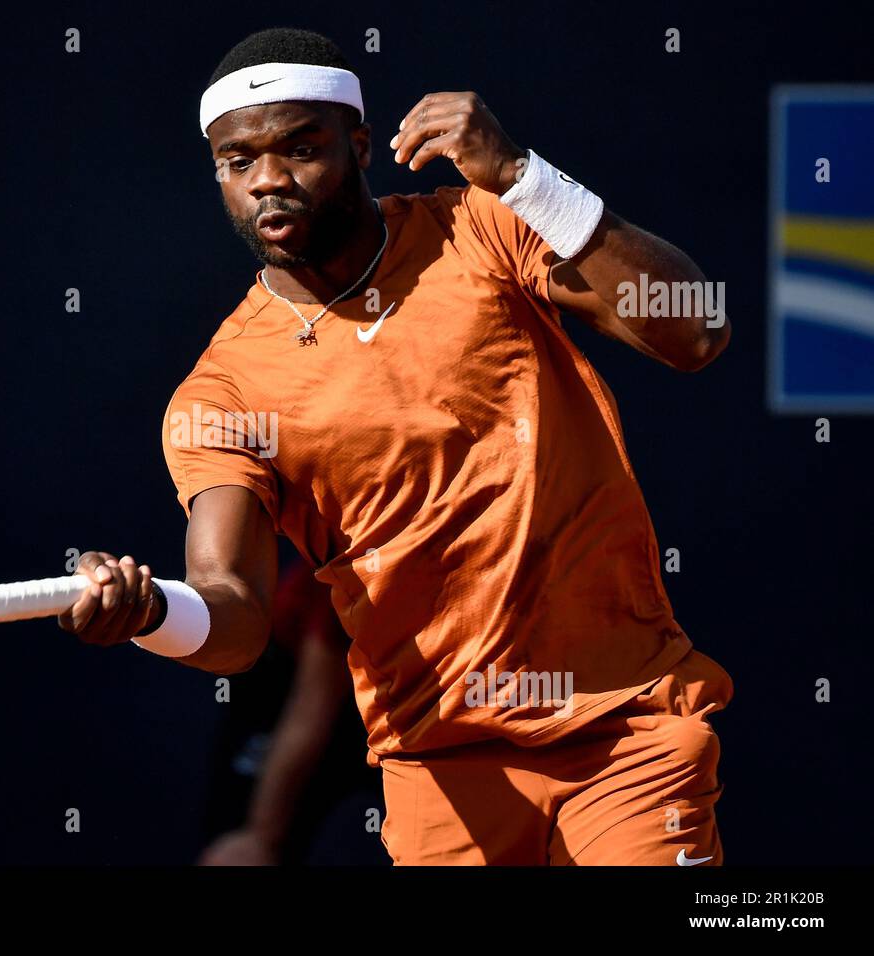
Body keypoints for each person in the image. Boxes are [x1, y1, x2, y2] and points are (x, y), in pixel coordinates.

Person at [58, 27, 734, 865]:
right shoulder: (220, 394)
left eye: (300, 148)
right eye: (238, 162)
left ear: (361, 145)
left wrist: (527, 180)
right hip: (437, 771)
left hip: (625, 731)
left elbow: (698, 328)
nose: (268, 179)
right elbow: (233, 611)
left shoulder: (483, 228)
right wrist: (149, 612)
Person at [197, 557, 382, 866]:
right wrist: (258, 838)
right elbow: (310, 707)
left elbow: (314, 707)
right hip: (280, 688)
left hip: (348, 719)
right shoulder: (339, 568)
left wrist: (261, 838)